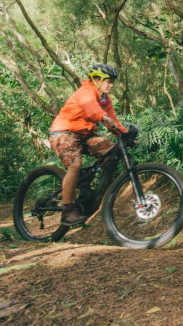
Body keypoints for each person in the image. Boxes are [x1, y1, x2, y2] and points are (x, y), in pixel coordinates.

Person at [49, 63, 128, 226]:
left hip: (85, 134)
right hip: (63, 132)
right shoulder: (86, 91)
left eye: (113, 82)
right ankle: (68, 210)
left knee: (111, 152)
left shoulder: (105, 98)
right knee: (75, 164)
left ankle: (88, 184)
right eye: (108, 81)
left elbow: (112, 119)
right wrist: (104, 118)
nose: (111, 85)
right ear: (97, 79)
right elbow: (91, 108)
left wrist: (125, 135)